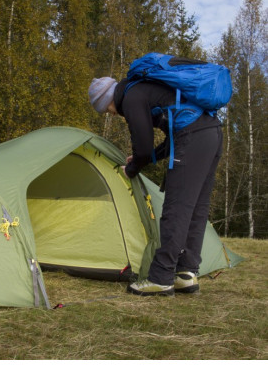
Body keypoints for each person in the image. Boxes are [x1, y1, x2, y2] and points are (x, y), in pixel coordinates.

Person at [88, 72, 223, 296]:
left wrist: (132, 169)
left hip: (193, 137)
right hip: (211, 134)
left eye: (105, 110)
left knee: (176, 209)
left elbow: (143, 146)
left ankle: (160, 278)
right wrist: (147, 158)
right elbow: (171, 138)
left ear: (108, 100)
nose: (110, 114)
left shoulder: (131, 98)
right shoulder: (144, 92)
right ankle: (186, 274)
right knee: (196, 208)